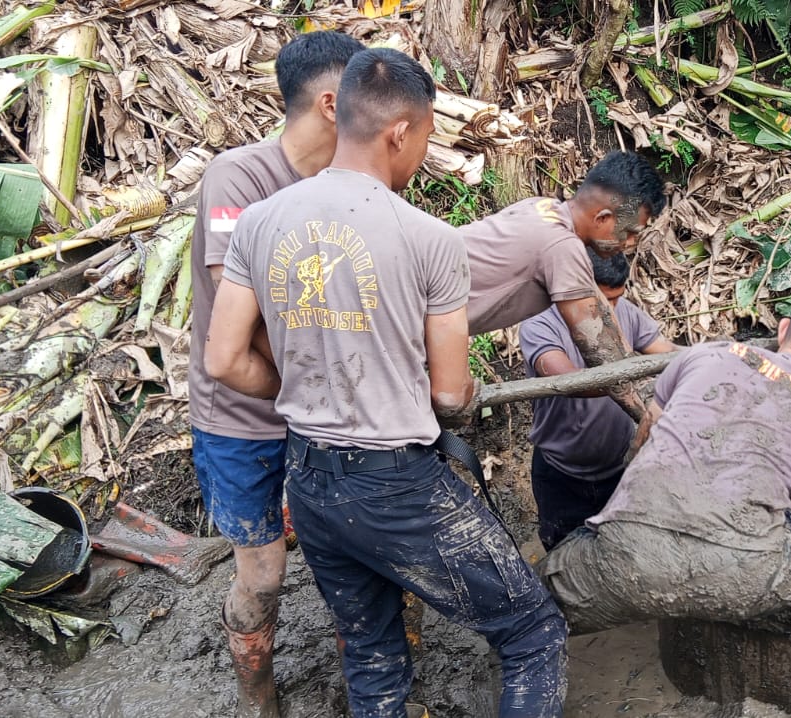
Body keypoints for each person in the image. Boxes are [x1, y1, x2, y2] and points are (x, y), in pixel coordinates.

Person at [206, 48, 566, 718]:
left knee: (372, 655)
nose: (421, 155)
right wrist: (449, 399)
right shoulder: (430, 239)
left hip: (308, 482)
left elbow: (224, 359)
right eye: (425, 138)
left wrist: (307, 388)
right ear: (400, 132)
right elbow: (450, 394)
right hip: (394, 485)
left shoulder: (260, 222)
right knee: (532, 632)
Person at [540, 276, 791, 717]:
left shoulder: (705, 355)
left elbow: (645, 438)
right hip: (745, 579)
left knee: (526, 607)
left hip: (626, 558)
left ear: (784, 329)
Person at [186, 29, 364, 717]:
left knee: (356, 553)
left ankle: (365, 685)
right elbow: (243, 312)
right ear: (331, 103)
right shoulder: (238, 178)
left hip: (325, 410)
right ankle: (257, 695)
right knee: (262, 574)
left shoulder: (347, 188)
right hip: (244, 412)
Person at [458, 150, 666, 422]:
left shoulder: (540, 208)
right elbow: (604, 358)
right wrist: (650, 419)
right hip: (410, 321)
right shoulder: (562, 247)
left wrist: (641, 377)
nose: (630, 244)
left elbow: (602, 314)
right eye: (629, 233)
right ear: (602, 218)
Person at [519, 248, 677, 550]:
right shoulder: (539, 324)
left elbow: (665, 351)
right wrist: (633, 375)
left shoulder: (625, 311)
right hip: (561, 471)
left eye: (617, 299)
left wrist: (710, 355)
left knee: (622, 545)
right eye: (603, 301)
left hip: (618, 465)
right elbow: (567, 381)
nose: (611, 310)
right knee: (562, 547)